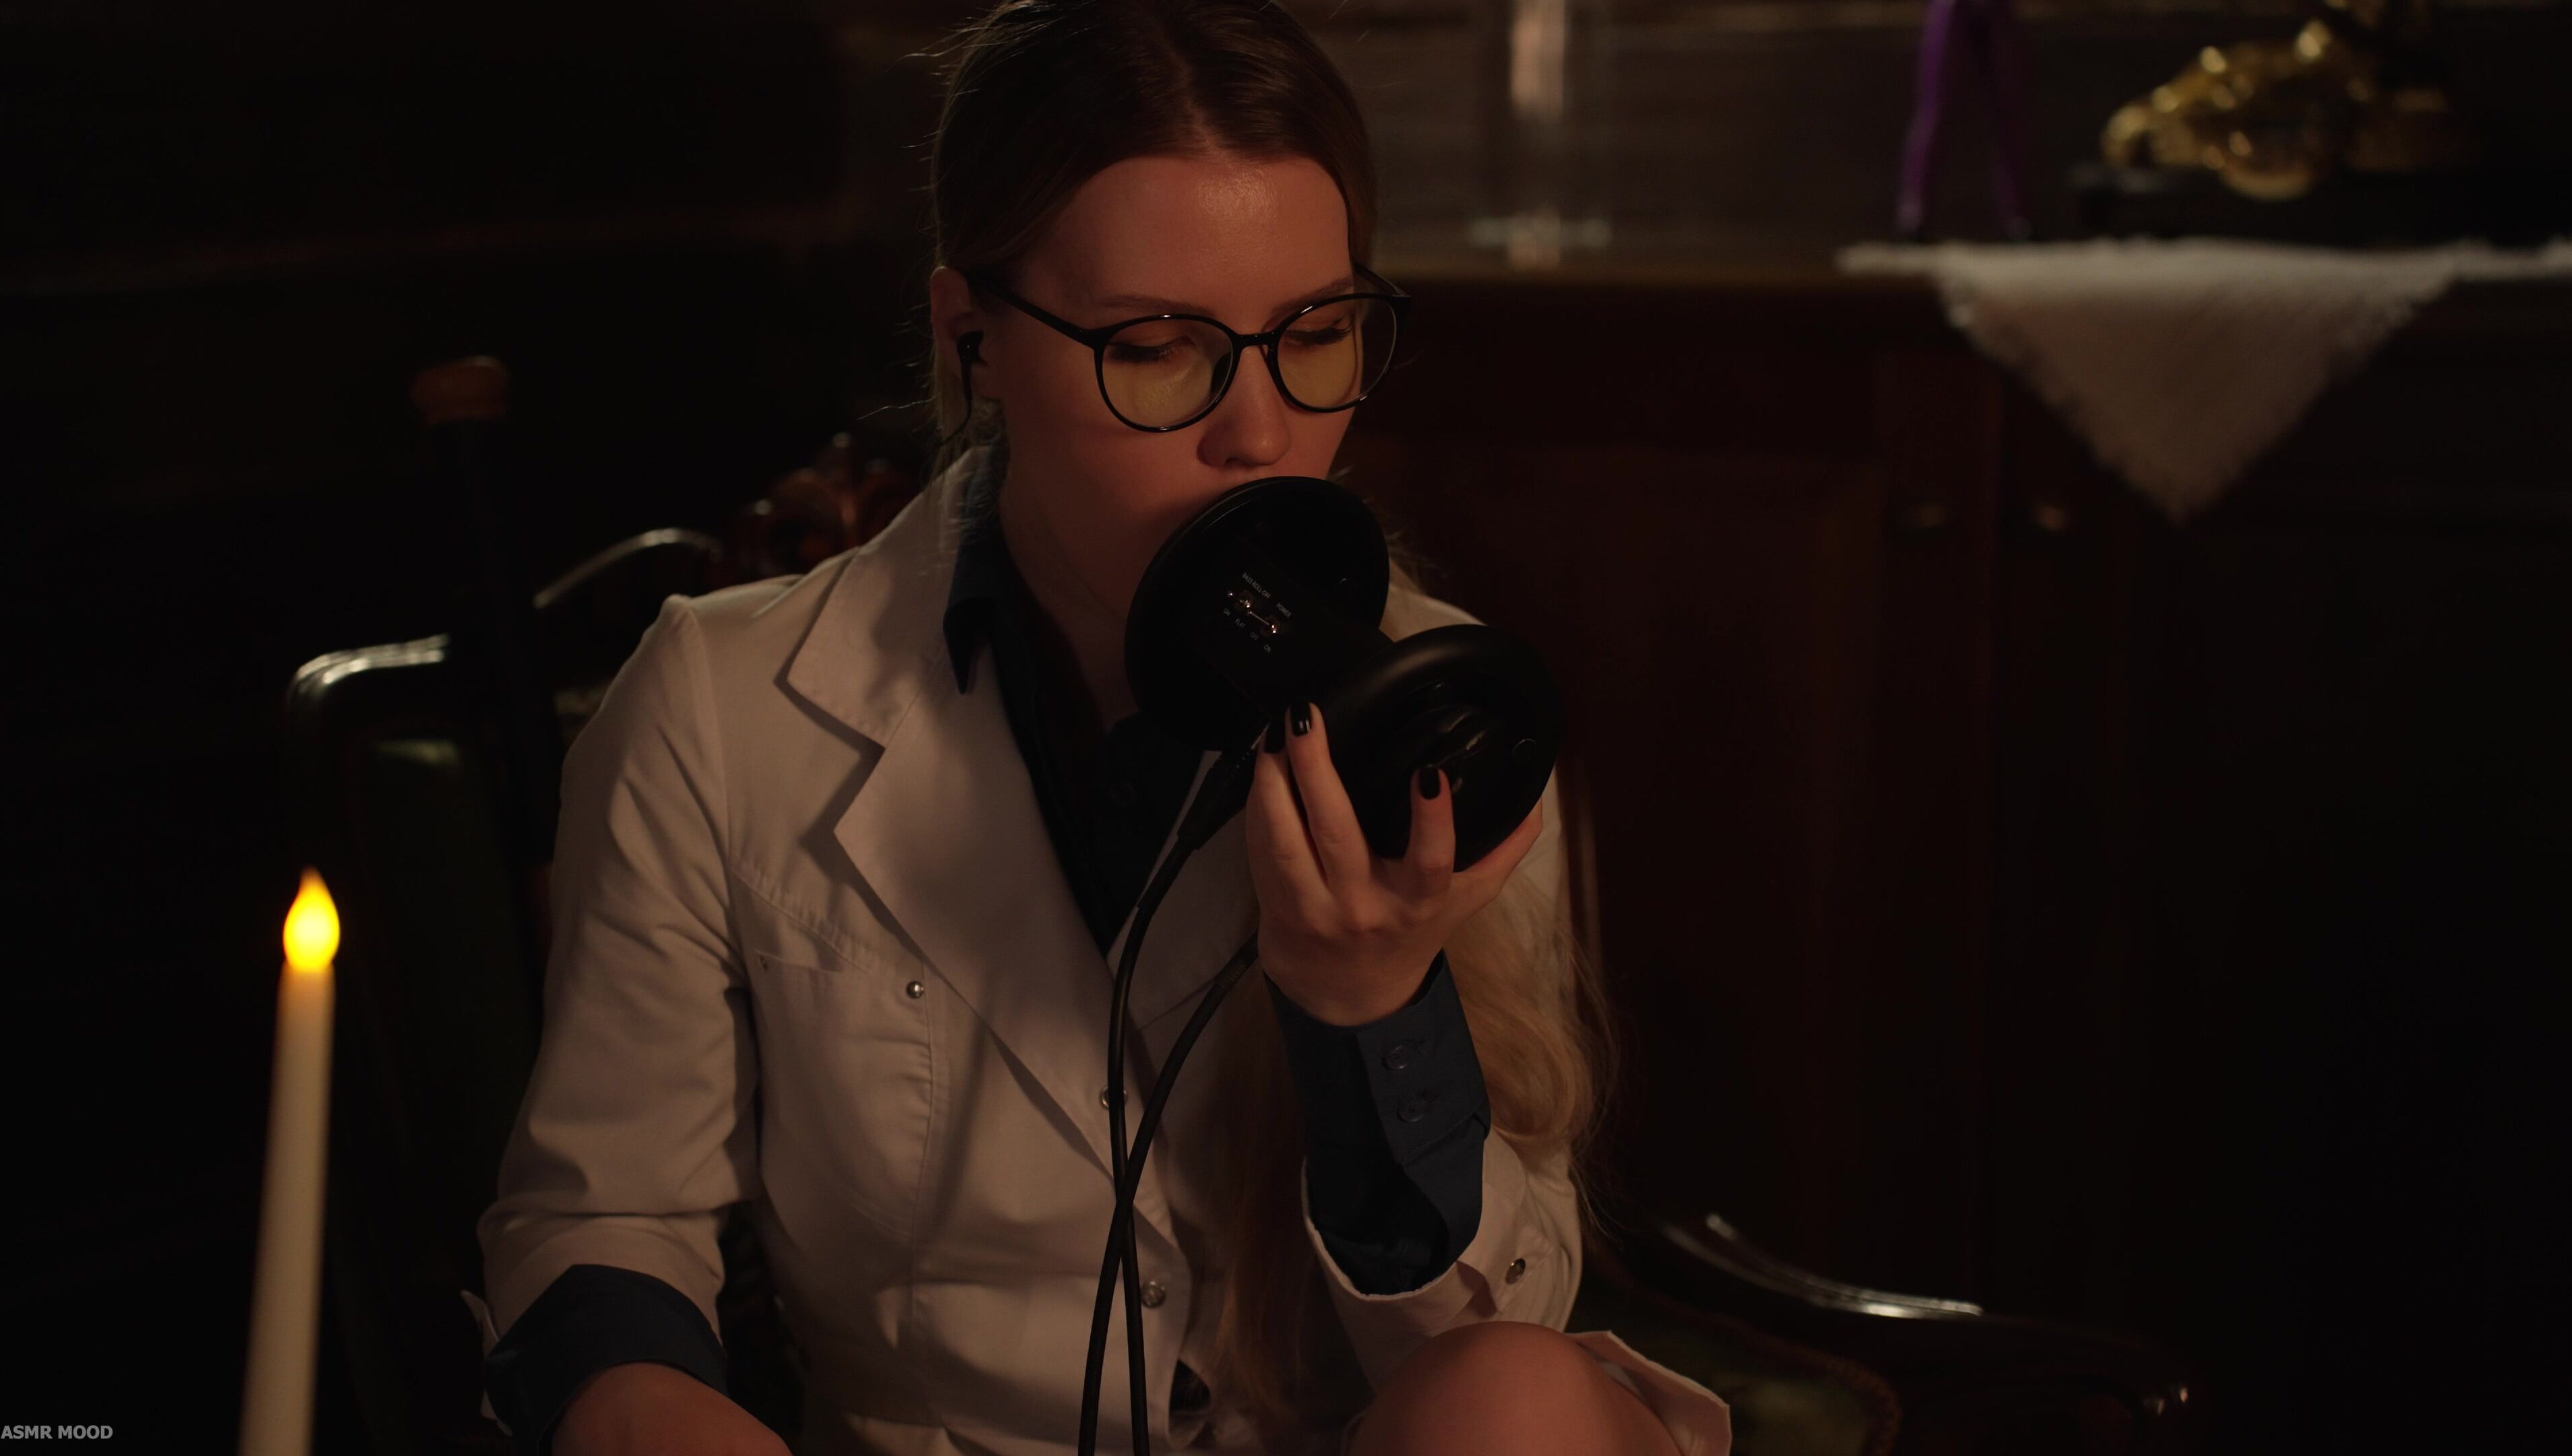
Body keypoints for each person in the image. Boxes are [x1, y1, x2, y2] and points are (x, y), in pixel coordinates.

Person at [467, 3, 1734, 1453]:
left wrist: (1373, 1013)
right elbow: (601, 1216)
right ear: (974, 339)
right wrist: (641, 1406)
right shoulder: (720, 705)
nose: (1261, 434)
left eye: (1317, 334)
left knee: (1513, 1393)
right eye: (1159, 349)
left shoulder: (1443, 713)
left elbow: (1484, 1337)